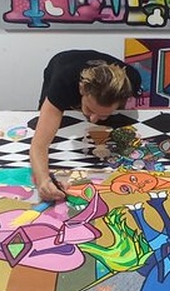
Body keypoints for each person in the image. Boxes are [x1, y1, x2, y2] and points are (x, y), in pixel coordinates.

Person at [30, 50, 141, 201]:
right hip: (62, 63)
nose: (93, 119)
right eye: (90, 109)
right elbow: (39, 145)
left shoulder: (132, 80)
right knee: (48, 125)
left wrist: (102, 115)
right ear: (81, 89)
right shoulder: (63, 83)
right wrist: (43, 180)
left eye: (103, 114)